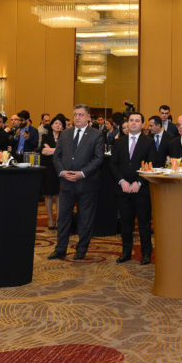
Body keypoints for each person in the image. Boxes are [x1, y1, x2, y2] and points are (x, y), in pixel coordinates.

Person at [48, 104, 105, 260]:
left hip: (87, 184)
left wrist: (82, 173)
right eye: (75, 115)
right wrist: (62, 172)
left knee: (85, 218)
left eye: (81, 115)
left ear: (88, 117)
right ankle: (60, 249)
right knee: (63, 218)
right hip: (66, 183)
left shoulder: (96, 135)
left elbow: (98, 158)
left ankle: (81, 249)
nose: (77, 118)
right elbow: (57, 156)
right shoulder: (65, 134)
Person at [110, 112, 156, 265]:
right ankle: (126, 252)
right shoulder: (118, 142)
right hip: (123, 189)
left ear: (142, 124)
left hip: (141, 189)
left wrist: (139, 182)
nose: (134, 123)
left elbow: (152, 164)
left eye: (137, 121)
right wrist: (121, 181)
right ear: (127, 123)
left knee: (144, 224)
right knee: (125, 223)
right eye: (131, 120)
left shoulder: (149, 142)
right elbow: (113, 165)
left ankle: (146, 253)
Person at [40, 114, 66, 230]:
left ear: (62, 127)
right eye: (56, 123)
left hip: (60, 168)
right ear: (51, 125)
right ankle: (50, 219)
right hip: (48, 169)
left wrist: (51, 149)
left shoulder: (64, 138)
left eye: (60, 124)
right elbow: (44, 151)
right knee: (48, 195)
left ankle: (59, 220)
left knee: (59, 195)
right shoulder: (46, 136)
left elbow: (66, 152)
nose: (57, 125)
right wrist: (58, 150)